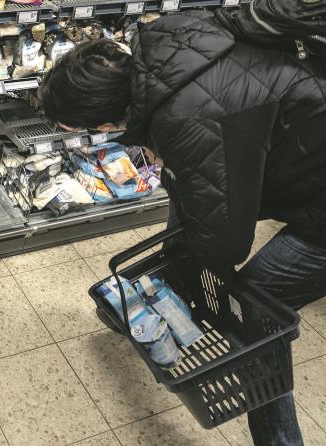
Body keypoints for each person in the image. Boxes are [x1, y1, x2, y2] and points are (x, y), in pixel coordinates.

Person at [39, 9, 326, 446]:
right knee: (189, 207)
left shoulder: (184, 119)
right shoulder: (167, 39)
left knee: (254, 318)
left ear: (104, 121)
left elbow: (224, 244)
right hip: (307, 150)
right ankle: (158, 303)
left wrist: (174, 162)